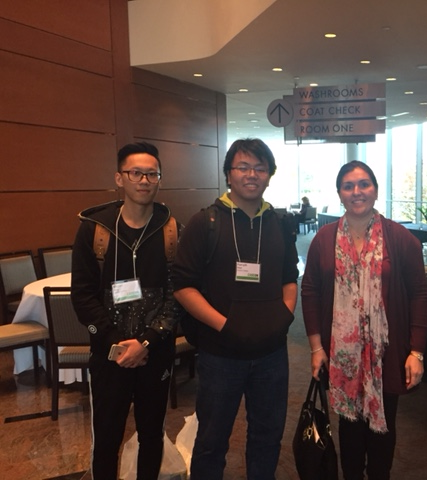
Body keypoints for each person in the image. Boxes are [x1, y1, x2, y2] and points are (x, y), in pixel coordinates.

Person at [171, 138, 299, 479]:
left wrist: (285, 316)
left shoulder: (279, 223)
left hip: (272, 355)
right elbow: (182, 286)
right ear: (229, 174)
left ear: (269, 175)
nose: (251, 174)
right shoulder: (205, 223)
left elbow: (290, 278)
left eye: (260, 168)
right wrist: (224, 325)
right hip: (220, 354)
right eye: (243, 167)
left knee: (268, 437)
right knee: (211, 440)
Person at [301, 160, 427, 480]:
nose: (356, 192)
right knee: (349, 427)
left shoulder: (400, 238)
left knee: (383, 428)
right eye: (348, 186)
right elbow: (310, 292)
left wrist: (416, 352)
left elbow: (419, 295)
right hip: (341, 355)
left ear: (375, 190)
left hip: (385, 353)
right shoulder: (324, 239)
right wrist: (316, 348)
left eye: (364, 184)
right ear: (339, 193)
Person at [71, 142, 181, 480]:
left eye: (152, 174)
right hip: (109, 355)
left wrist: (145, 343)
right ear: (119, 178)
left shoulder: (171, 230)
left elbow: (177, 296)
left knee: (152, 434)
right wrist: (118, 343)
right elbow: (83, 296)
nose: (144, 180)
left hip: (155, 353)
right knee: (106, 439)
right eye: (136, 173)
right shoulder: (95, 230)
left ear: (159, 179)